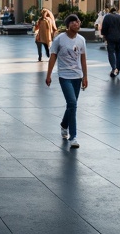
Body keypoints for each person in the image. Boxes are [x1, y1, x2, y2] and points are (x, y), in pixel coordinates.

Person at [46, 15, 88, 148]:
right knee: (72, 103)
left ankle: (64, 125)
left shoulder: (81, 40)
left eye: (78, 22)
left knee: (71, 105)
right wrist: (49, 75)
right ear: (69, 25)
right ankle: (73, 137)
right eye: (75, 22)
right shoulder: (59, 39)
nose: (78, 24)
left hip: (77, 76)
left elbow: (83, 59)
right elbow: (52, 57)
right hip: (64, 76)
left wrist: (85, 76)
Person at [101, 6, 120, 78]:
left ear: (110, 11)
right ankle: (118, 69)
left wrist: (104, 35)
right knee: (118, 53)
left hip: (110, 38)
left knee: (111, 53)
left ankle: (114, 68)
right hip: (119, 38)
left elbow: (104, 28)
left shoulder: (107, 17)